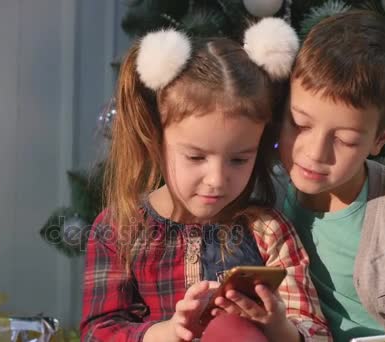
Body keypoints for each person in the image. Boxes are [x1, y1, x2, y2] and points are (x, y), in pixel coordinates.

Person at [80, 18, 329, 342]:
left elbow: (317, 333)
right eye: (196, 157)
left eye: (239, 159)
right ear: (155, 138)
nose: (216, 180)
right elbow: (97, 333)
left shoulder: (268, 231)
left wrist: (278, 328)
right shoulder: (118, 229)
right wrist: (168, 332)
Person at [275, 10, 385, 342]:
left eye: (344, 140)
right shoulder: (268, 195)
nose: (314, 153)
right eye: (300, 124)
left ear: (381, 138)